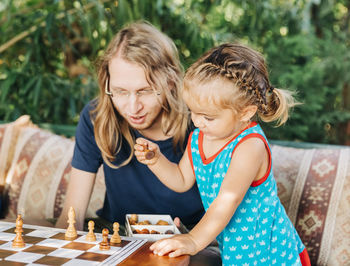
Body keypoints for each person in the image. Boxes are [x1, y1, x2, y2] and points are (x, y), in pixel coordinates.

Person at [134, 43, 311, 265]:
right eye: (193, 112)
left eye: (208, 117)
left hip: (269, 254)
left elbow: (228, 199)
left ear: (245, 112)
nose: (197, 122)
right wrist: (156, 160)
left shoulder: (250, 146)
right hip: (236, 251)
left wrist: (192, 240)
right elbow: (180, 180)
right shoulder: (199, 138)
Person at [55, 21, 206, 235]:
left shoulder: (201, 120)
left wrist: (195, 240)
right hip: (116, 232)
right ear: (107, 83)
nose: (133, 108)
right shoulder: (95, 117)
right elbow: (73, 215)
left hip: (194, 236)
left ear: (170, 81)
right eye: (121, 91)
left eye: (145, 91)